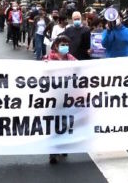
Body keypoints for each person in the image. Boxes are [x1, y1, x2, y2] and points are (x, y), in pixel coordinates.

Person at [43, 34, 76, 164]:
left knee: (65, 123)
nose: (65, 47)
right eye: (62, 44)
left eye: (67, 45)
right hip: (53, 98)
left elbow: (82, 68)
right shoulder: (49, 58)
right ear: (56, 45)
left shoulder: (71, 58)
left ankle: (63, 146)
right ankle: (53, 152)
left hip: (67, 97)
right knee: (54, 124)